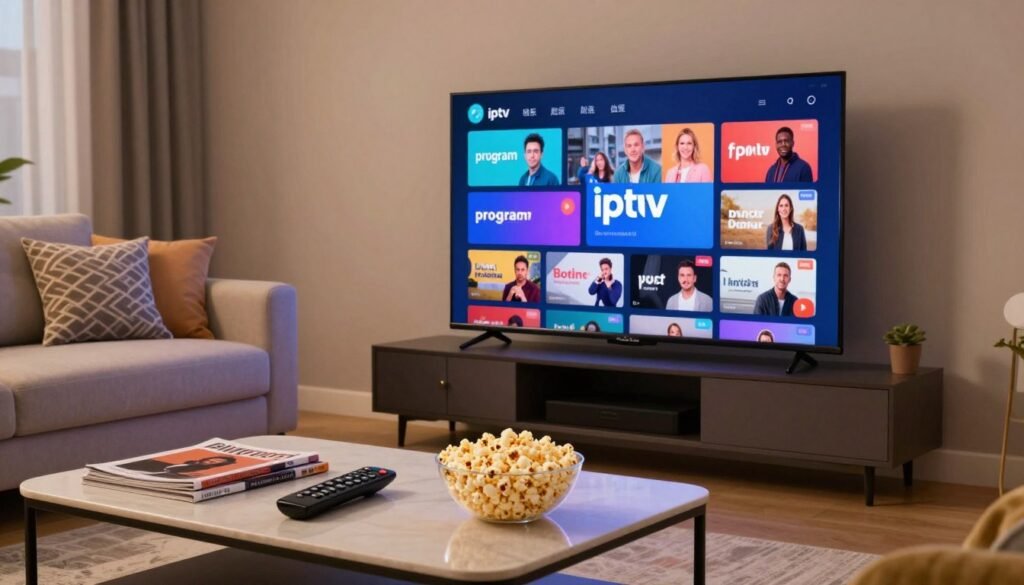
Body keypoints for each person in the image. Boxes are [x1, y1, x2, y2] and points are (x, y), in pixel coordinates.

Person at [118, 455, 238, 478]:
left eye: (216, 462)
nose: (212, 461)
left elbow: (174, 470)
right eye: (213, 459)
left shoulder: (200, 468)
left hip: (162, 470)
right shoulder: (193, 461)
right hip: (157, 466)